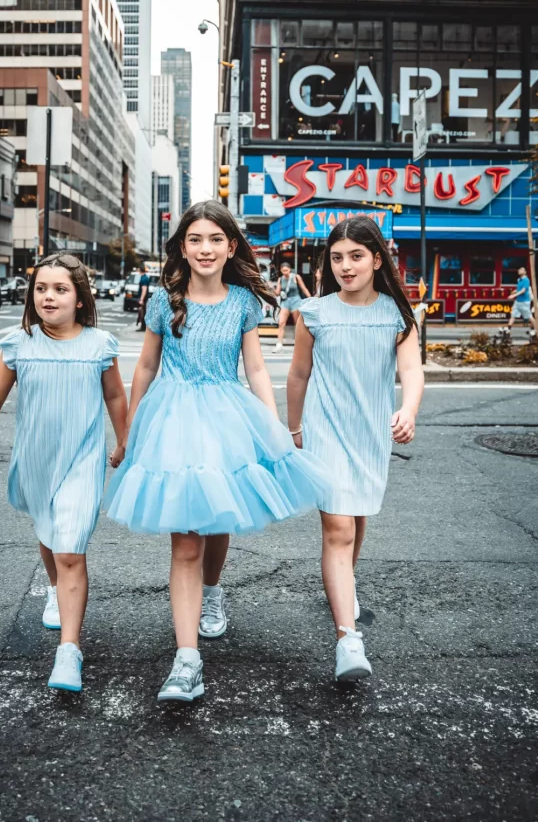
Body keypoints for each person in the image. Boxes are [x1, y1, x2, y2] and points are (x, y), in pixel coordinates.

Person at [104, 201, 322, 704]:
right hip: (172, 419)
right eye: (195, 239)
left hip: (227, 414)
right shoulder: (163, 300)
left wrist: (275, 425)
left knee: (218, 516)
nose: (205, 248)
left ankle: (213, 590)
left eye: (215, 239)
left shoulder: (244, 303)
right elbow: (145, 369)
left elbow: (258, 369)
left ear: (231, 247)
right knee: (185, 540)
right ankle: (187, 661)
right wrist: (131, 428)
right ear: (183, 246)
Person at [0, 254, 127, 692]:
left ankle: (69, 652)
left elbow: (114, 398)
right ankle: (56, 589)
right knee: (48, 532)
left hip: (82, 460)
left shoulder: (99, 345)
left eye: (60, 289)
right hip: (36, 459)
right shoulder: (21, 344)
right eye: (41, 288)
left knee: (70, 548)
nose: (48, 296)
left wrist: (124, 440)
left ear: (79, 298)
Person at [287, 216, 424, 683]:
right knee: (339, 528)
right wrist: (294, 426)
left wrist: (408, 409)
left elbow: (413, 371)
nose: (346, 266)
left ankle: (344, 584)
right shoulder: (316, 312)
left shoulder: (397, 316)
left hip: (370, 433)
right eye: (338, 257)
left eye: (357, 256)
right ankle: (348, 638)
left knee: (357, 518)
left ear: (376, 259)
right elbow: (299, 374)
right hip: (325, 429)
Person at [273, 262, 311, 353]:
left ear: (290, 269)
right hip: (285, 302)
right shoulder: (280, 279)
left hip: (295, 301)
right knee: (281, 322)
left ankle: (300, 344)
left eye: (286, 270)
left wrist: (311, 299)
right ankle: (279, 344)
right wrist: (273, 289)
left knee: (297, 323)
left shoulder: (295, 277)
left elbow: (303, 288)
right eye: (283, 270)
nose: (285, 272)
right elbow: (277, 293)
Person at [506, 266, 535, 337]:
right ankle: (508, 329)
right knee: (513, 315)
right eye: (519, 269)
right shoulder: (519, 280)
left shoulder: (526, 280)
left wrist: (514, 295)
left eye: (521, 270)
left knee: (529, 316)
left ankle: (535, 329)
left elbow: (524, 290)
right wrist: (514, 291)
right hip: (518, 301)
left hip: (524, 302)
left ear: (525, 272)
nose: (519, 271)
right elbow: (519, 289)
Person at [135, 267, 151, 331]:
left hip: (143, 298)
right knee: (142, 312)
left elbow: (144, 289)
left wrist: (141, 299)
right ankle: (142, 326)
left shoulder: (144, 278)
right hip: (144, 298)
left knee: (142, 313)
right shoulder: (145, 277)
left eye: (138, 269)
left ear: (140, 270)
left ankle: (143, 327)